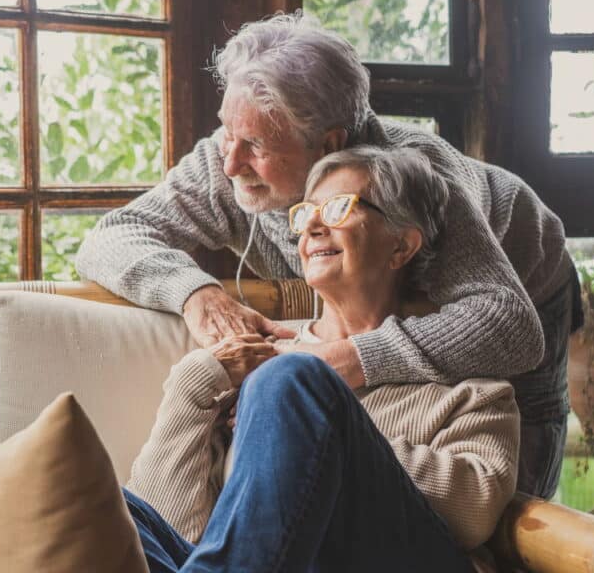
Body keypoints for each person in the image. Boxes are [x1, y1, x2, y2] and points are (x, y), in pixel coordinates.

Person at [75, 11, 576, 498]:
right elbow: (111, 236)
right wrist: (197, 294)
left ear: (328, 143)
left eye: (254, 144)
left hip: (528, 276)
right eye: (228, 132)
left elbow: (512, 327)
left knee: (519, 504)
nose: (230, 163)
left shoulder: (415, 179)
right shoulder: (224, 159)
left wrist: (335, 363)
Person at [123, 146, 518, 572]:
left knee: (290, 379)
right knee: (81, 489)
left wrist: (326, 427)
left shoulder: (468, 390)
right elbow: (175, 532)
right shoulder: (248, 370)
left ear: (401, 245)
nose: (310, 223)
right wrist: (200, 379)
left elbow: (475, 510)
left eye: (336, 208)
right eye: (305, 212)